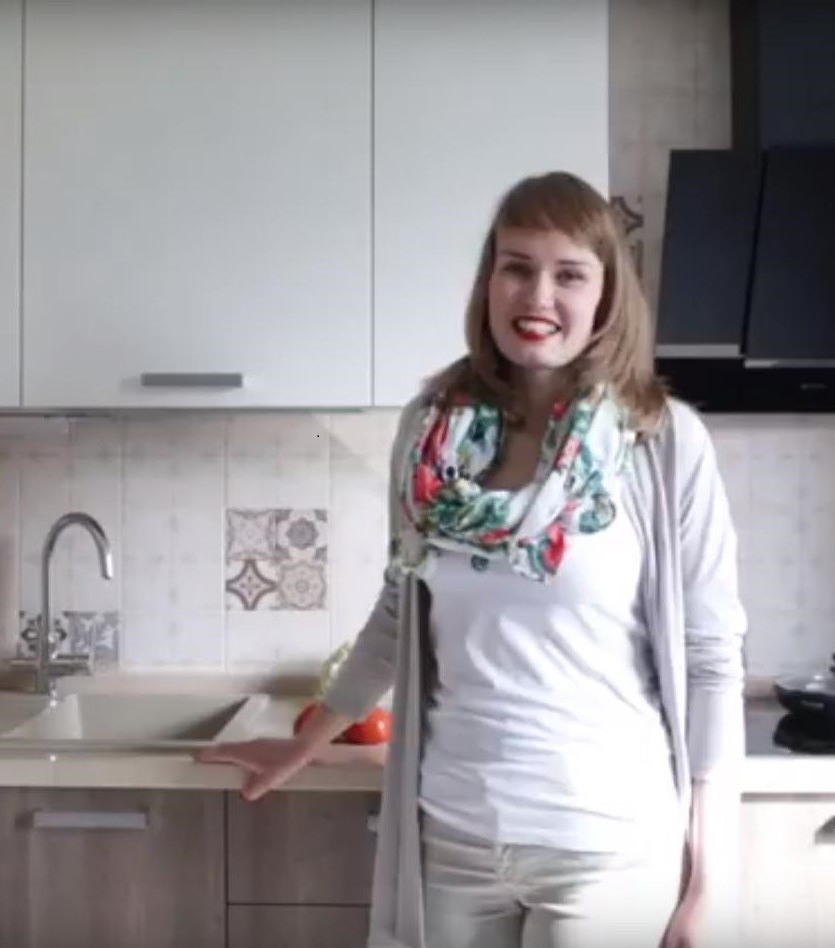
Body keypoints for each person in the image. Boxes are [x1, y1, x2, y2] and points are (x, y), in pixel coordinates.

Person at [198, 170, 747, 948]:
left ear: (605, 298)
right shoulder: (433, 434)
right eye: (516, 266)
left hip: (605, 844)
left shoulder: (661, 442)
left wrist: (709, 877)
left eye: (568, 275)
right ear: (489, 280)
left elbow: (710, 658)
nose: (537, 296)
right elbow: (399, 608)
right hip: (453, 837)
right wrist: (307, 742)